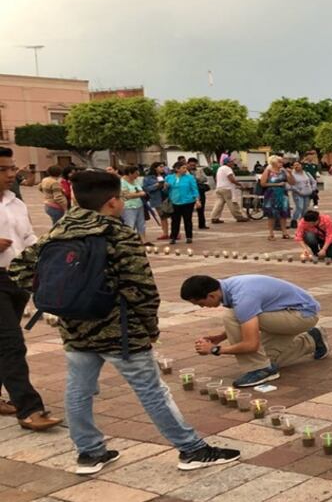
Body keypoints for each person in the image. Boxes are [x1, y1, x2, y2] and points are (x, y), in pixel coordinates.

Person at [10, 170, 238, 472]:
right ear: (112, 201)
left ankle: (89, 452)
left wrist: (62, 296)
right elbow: (142, 289)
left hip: (75, 328)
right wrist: (149, 329)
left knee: (78, 391)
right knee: (152, 391)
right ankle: (192, 449)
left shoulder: (59, 231)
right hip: (121, 331)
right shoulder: (118, 235)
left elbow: (18, 269)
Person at [0, 147, 63, 432]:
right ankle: (29, 409)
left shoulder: (16, 203)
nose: (10, 174)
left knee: (4, 343)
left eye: (12, 168)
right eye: (3, 169)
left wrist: (46, 256)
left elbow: (27, 238)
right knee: (11, 344)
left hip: (16, 278)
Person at [181, 274, 327, 388]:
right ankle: (313, 339)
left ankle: (259, 369)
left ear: (211, 295)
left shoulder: (242, 297)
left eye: (200, 303)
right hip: (285, 312)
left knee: (230, 316)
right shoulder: (226, 287)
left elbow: (251, 345)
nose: (202, 307)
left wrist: (215, 349)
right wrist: (220, 337)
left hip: (301, 316)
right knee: (268, 359)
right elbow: (245, 318)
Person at [165, 160, 200, 244]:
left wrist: (197, 200)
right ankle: (173, 237)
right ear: (177, 169)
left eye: (185, 168)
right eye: (183, 168)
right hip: (174, 202)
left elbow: (194, 189)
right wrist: (165, 187)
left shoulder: (190, 178)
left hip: (188, 202)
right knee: (175, 221)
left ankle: (189, 237)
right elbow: (165, 190)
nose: (185, 169)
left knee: (187, 220)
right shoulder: (169, 178)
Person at [119, 165, 149, 244]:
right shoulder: (122, 182)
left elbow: (140, 190)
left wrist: (138, 193)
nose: (138, 174)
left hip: (139, 205)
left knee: (141, 224)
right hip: (128, 207)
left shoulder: (135, 181)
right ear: (130, 173)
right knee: (130, 225)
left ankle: (143, 241)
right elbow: (126, 195)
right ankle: (130, 242)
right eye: (136, 173)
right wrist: (139, 194)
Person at [142, 162, 170, 239]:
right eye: (160, 167)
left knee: (173, 215)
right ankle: (165, 233)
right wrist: (156, 185)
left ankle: (175, 232)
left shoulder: (166, 176)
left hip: (168, 198)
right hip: (157, 199)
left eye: (163, 167)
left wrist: (167, 185)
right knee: (162, 216)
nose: (162, 168)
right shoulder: (148, 178)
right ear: (155, 168)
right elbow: (146, 188)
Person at [288, 160, 318, 229]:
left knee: (305, 208)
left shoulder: (306, 173)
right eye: (294, 165)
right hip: (298, 194)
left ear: (301, 166)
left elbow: (313, 181)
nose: (296, 166)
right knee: (299, 207)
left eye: (298, 165)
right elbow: (290, 185)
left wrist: (312, 189)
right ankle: (294, 220)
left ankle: (303, 222)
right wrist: (298, 191)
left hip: (307, 193)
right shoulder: (292, 174)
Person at [191, 157, 210, 229]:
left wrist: (197, 178)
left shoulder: (199, 170)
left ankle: (202, 224)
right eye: (191, 165)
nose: (193, 166)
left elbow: (205, 178)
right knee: (189, 210)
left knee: (201, 208)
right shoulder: (186, 171)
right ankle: (189, 225)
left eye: (194, 165)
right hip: (189, 192)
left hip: (199, 191)